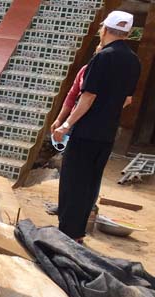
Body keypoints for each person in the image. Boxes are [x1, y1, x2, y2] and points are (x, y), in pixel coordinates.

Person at [52, 10, 140, 243]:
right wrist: (107, 113)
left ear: (105, 29)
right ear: (128, 33)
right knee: (90, 182)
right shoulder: (134, 60)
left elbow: (88, 96)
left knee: (73, 181)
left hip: (86, 132)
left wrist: (67, 125)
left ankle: (66, 235)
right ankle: (78, 233)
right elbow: (127, 100)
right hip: (107, 133)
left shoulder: (102, 58)